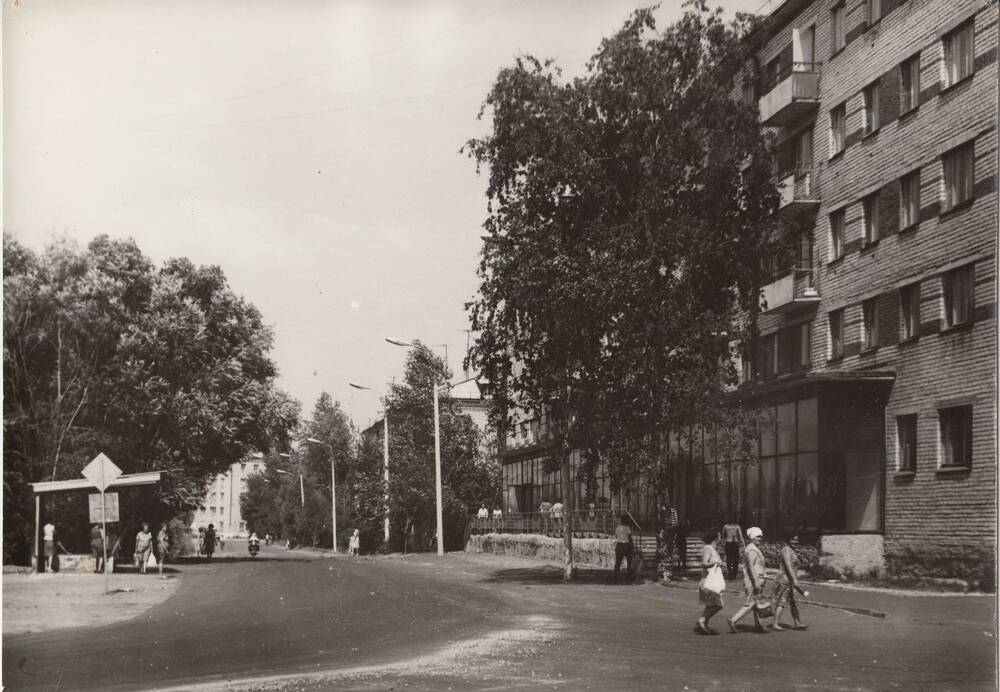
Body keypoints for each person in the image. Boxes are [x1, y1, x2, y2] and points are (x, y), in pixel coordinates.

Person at [728, 526, 768, 634]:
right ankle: (733, 620)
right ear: (752, 537)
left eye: (760, 537)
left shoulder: (753, 548)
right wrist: (755, 582)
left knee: (756, 603)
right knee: (751, 603)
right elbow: (750, 566)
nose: (759, 539)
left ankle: (758, 625)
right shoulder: (751, 550)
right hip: (753, 580)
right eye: (757, 537)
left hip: (756, 579)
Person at [772, 532, 809, 631]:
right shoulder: (786, 550)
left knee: (794, 602)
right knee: (782, 601)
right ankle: (775, 623)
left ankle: (798, 623)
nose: (795, 542)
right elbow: (788, 566)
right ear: (788, 540)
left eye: (797, 540)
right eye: (793, 540)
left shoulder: (792, 551)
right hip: (785, 579)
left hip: (790, 580)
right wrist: (795, 579)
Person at [697, 529, 725, 634]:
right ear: (716, 537)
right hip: (707, 581)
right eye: (719, 536)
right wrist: (714, 562)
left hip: (710, 581)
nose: (720, 538)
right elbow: (704, 563)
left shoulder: (712, 549)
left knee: (710, 605)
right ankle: (702, 621)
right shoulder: (708, 548)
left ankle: (704, 625)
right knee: (718, 604)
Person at [613, 513, 634, 584]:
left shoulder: (617, 528)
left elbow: (616, 536)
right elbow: (630, 538)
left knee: (618, 562)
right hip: (626, 545)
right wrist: (632, 546)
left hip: (619, 545)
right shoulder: (628, 528)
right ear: (626, 521)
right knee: (629, 561)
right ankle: (629, 577)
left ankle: (615, 577)